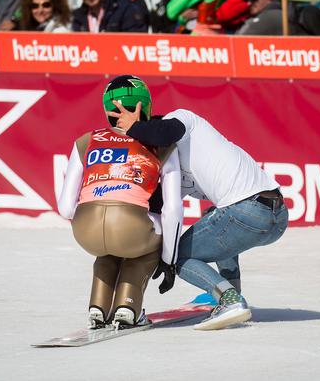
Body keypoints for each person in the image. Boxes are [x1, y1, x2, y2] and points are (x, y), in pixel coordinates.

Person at [109, 95, 289, 331]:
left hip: (247, 211)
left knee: (180, 256)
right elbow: (156, 209)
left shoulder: (183, 120)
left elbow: (163, 132)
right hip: (276, 215)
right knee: (213, 215)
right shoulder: (177, 173)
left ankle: (228, 299)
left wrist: (133, 126)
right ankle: (230, 291)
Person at [57, 76, 183, 328]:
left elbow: (66, 207)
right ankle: (128, 306)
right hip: (130, 226)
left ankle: (98, 306)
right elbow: (172, 210)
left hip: (85, 229)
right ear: (145, 106)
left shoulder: (85, 140)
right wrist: (169, 261)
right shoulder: (162, 146)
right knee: (145, 246)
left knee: (108, 251)